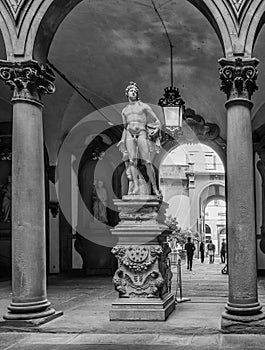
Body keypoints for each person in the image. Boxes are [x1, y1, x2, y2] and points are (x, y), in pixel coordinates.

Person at [117, 81, 161, 196]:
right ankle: (135, 187)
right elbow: (125, 127)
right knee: (132, 161)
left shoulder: (144, 106)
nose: (134, 93)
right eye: (131, 91)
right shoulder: (124, 110)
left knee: (147, 161)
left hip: (142, 132)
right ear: (127, 93)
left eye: (135, 91)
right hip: (129, 134)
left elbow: (157, 121)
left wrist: (157, 128)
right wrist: (122, 139)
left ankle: (154, 188)